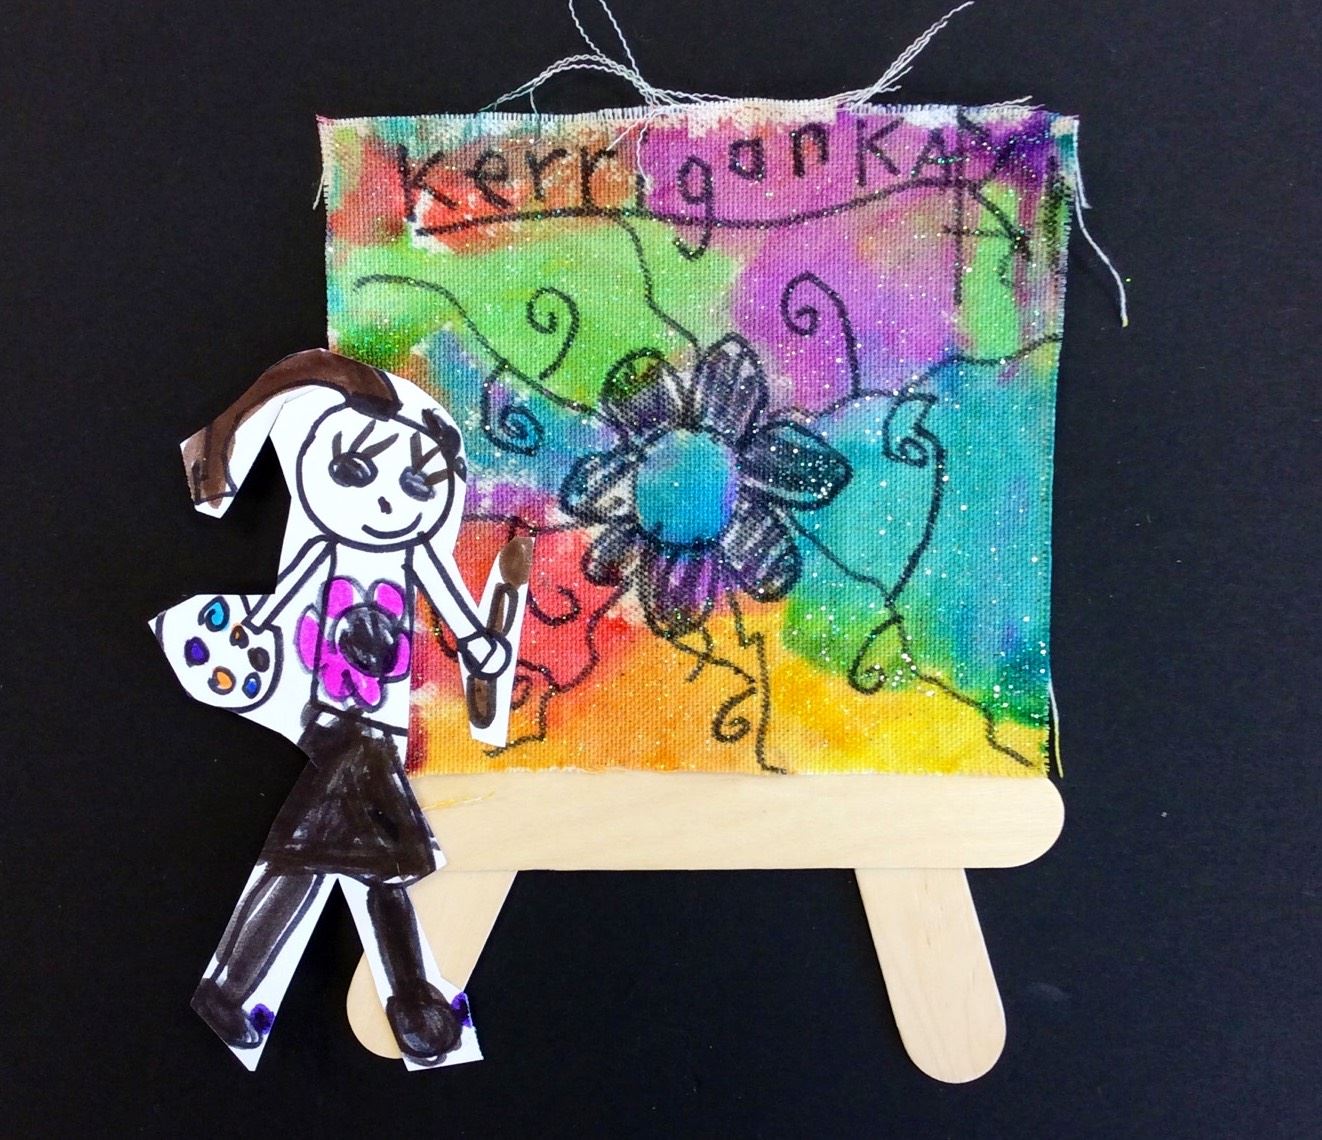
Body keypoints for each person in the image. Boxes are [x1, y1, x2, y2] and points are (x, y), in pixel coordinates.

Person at [156, 349, 509, 1069]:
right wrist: (244, 638)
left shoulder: (415, 555)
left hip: (381, 724)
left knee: (334, 854)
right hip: (335, 721)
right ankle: (413, 1002)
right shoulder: (325, 549)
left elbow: (456, 611)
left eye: (416, 483)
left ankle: (240, 988)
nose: (386, 501)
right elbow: (282, 605)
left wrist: (482, 648)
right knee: (376, 855)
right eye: (353, 471)